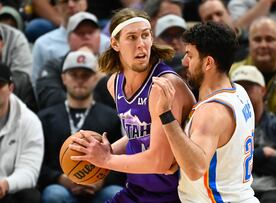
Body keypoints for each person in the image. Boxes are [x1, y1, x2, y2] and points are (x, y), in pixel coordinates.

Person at [68, 8, 195, 203]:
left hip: (175, 195)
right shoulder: (114, 83)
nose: (141, 44)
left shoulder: (164, 84)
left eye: (145, 35)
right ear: (115, 43)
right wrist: (104, 151)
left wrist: (107, 160)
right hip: (137, 190)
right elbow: (142, 134)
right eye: (132, 37)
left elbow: (161, 162)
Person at [152, 22, 259, 202]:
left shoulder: (212, 111)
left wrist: (165, 114)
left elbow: (195, 169)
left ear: (208, 62)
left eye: (190, 55)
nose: (184, 61)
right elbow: (219, 148)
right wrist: (179, 158)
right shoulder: (239, 91)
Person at [38, 49, 125, 203]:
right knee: (54, 194)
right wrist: (61, 178)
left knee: (115, 193)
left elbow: (122, 159)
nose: (80, 80)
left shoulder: (112, 117)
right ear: (63, 78)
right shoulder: (46, 117)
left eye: (85, 75)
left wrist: (101, 180)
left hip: (101, 186)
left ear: (96, 79)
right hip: (61, 186)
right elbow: (37, 161)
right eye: (74, 75)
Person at [230, 65, 276, 203]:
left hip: (272, 191)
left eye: (248, 88)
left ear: (263, 90)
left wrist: (243, 160)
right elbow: (224, 164)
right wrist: (263, 153)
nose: (242, 93)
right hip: (236, 192)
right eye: (237, 88)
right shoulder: (226, 124)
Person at [35, 11, 110, 110]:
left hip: (105, 122)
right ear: (69, 39)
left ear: (100, 38)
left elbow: (120, 103)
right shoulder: (54, 66)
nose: (86, 37)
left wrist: (100, 77)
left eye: (91, 32)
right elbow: (49, 100)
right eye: (80, 33)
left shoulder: (113, 67)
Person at [31, 2, 109, 86]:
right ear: (56, 8)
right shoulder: (42, 44)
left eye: (76, 0)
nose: (71, 5)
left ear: (85, 3)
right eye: (64, 1)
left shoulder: (107, 43)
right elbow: (37, 85)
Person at [0, 62, 44, 203]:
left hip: (8, 189)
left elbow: (29, 170)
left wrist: (5, 184)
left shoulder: (29, 121)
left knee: (30, 196)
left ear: (11, 87)